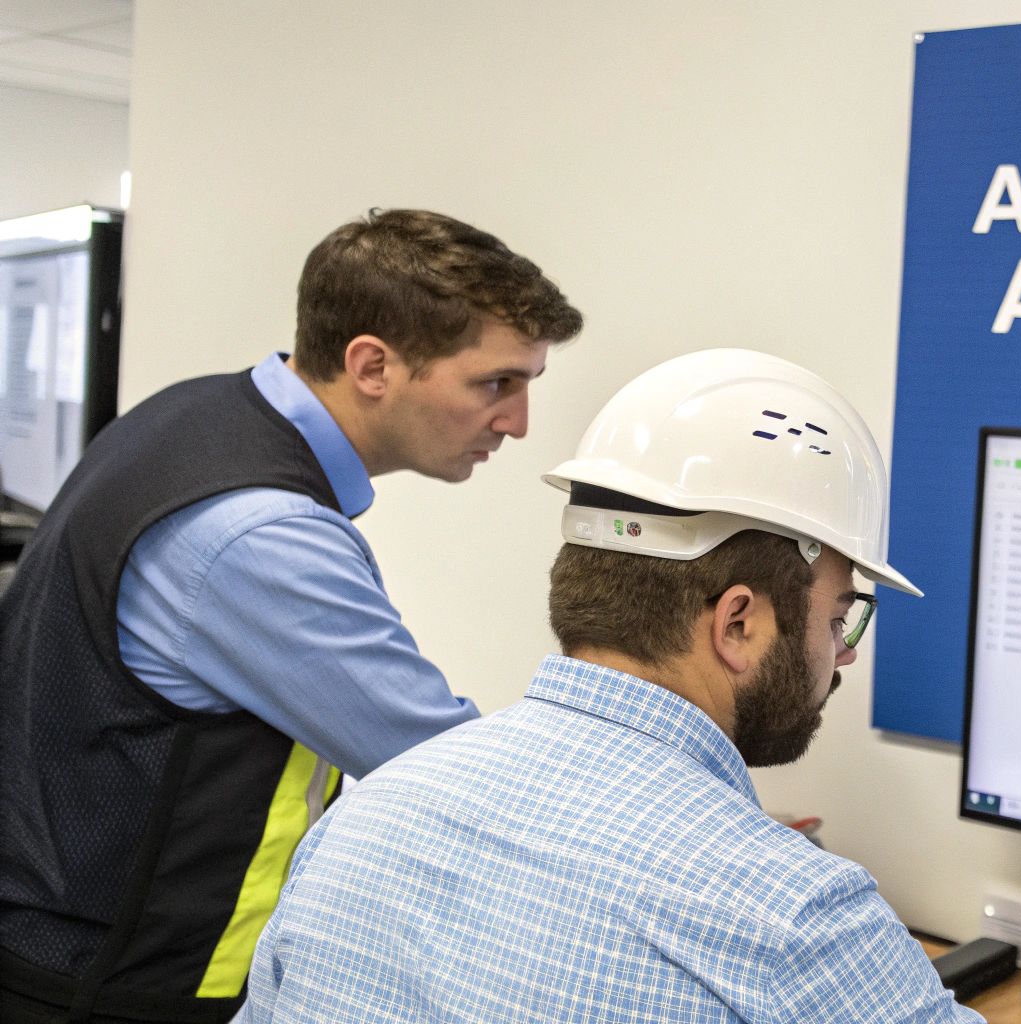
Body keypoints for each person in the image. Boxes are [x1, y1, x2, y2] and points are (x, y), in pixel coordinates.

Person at [234, 349, 983, 1023]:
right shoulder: (793, 915)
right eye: (841, 618)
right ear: (739, 623)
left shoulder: (364, 816)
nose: (842, 655)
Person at [0, 209, 584, 1023]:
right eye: (497, 384)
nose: (518, 423)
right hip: (114, 987)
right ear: (372, 365)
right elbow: (447, 770)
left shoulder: (191, 413)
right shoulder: (261, 534)